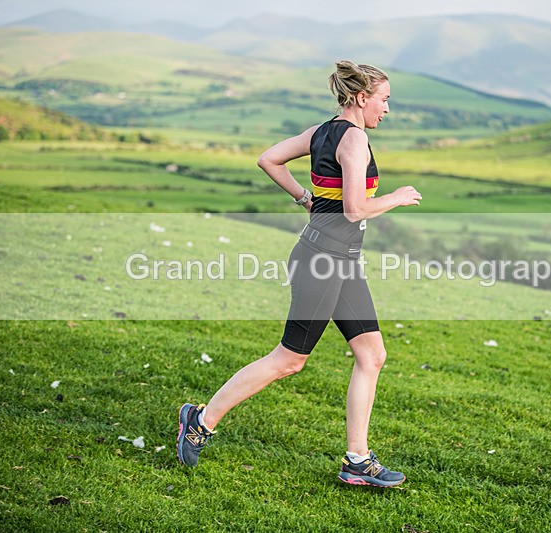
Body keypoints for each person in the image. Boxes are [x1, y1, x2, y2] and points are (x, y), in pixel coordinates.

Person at [176, 60, 422, 488]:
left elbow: (268, 159)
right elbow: (355, 209)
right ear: (362, 98)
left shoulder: (321, 131)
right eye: (384, 100)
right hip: (322, 262)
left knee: (372, 354)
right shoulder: (355, 140)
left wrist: (305, 198)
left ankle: (357, 461)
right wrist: (397, 197)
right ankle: (200, 419)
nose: (387, 109)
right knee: (289, 359)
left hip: (339, 259)